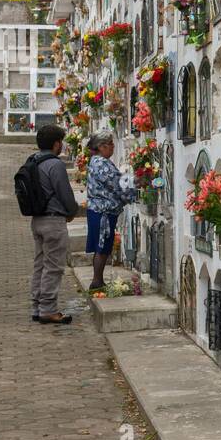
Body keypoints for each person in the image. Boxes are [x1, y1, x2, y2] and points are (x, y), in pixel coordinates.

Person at [29, 124, 80, 325]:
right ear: (56, 143)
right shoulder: (54, 164)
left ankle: (37, 306)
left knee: (39, 265)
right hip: (53, 221)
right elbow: (64, 193)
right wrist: (72, 211)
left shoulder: (33, 160)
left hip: (37, 219)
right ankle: (48, 309)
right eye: (61, 142)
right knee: (54, 267)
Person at [84, 131, 136, 290]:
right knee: (102, 246)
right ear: (102, 146)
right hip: (103, 212)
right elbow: (117, 183)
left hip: (99, 211)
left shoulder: (97, 161)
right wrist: (136, 187)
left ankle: (97, 280)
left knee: (102, 245)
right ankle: (96, 281)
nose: (113, 147)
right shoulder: (101, 163)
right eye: (111, 144)